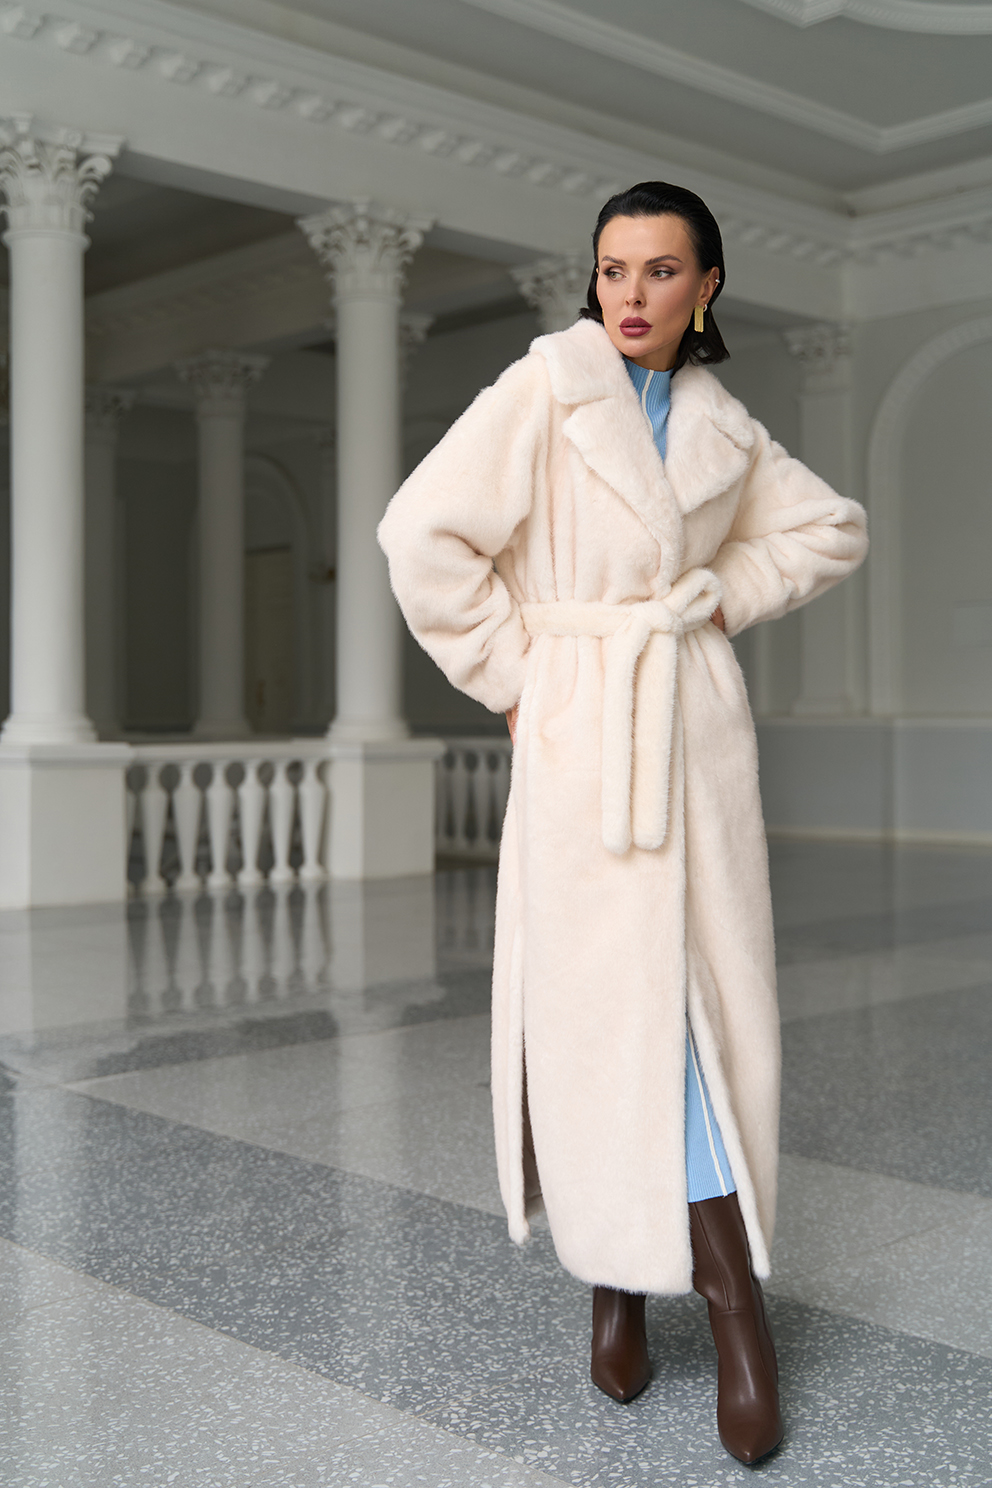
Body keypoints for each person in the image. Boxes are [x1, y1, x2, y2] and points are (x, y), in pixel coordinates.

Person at [378, 181, 867, 1465]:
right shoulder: (545, 390)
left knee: (707, 1013)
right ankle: (677, 1294)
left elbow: (830, 528)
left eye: (658, 271)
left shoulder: (722, 426)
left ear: (705, 286)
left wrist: (719, 592)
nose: (630, 296)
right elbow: (419, 534)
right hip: (584, 738)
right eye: (611, 270)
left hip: (692, 736)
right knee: (603, 1023)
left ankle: (687, 1293)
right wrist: (518, 677)